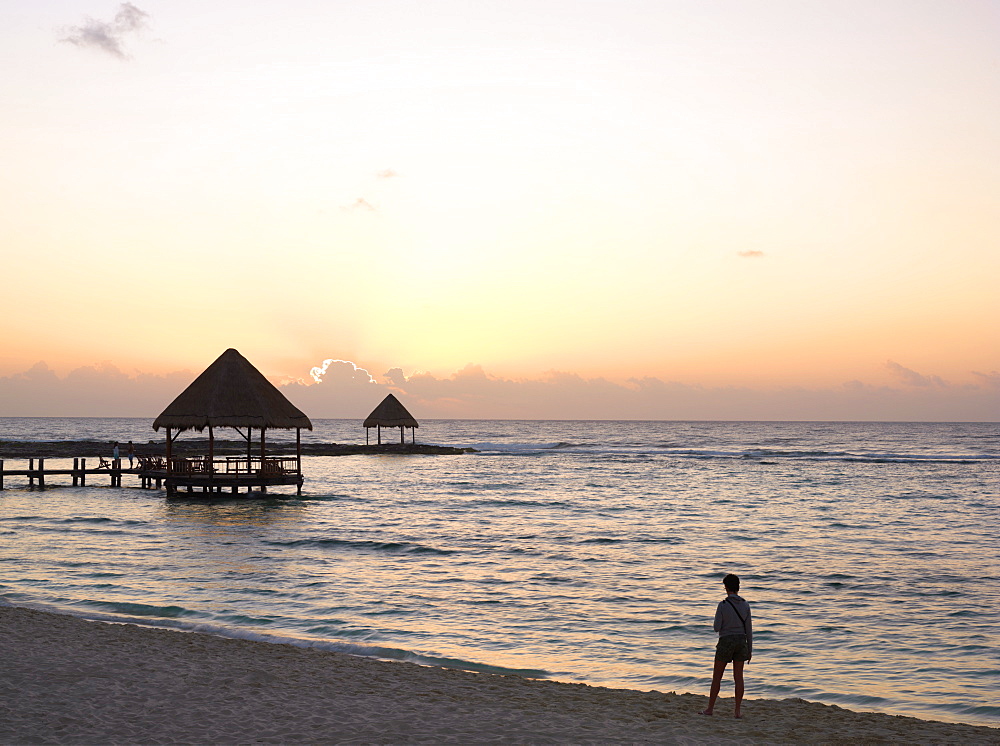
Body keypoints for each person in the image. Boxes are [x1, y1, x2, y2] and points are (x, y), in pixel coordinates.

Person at [701, 573, 752, 719]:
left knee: (717, 677)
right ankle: (737, 711)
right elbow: (749, 630)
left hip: (726, 641)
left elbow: (716, 627)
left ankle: (710, 708)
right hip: (742, 642)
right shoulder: (745, 604)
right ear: (738, 587)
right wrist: (750, 650)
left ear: (726, 587)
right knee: (739, 678)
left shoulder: (722, 605)